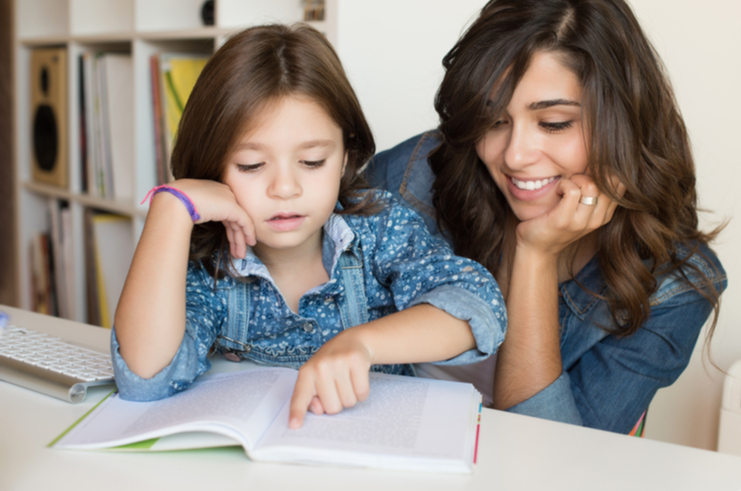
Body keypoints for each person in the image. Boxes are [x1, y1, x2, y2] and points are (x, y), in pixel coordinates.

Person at [112, 24, 506, 429]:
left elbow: (479, 309)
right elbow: (144, 377)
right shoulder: (211, 265)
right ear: (212, 167)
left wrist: (362, 343)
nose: (285, 188)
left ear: (346, 155)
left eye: (313, 161)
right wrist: (170, 207)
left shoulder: (377, 227)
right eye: (251, 165)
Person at [367, 0, 727, 434]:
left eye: (554, 123)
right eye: (494, 119)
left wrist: (534, 256)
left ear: (624, 122)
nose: (515, 156)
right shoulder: (415, 180)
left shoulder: (673, 287)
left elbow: (551, 458)